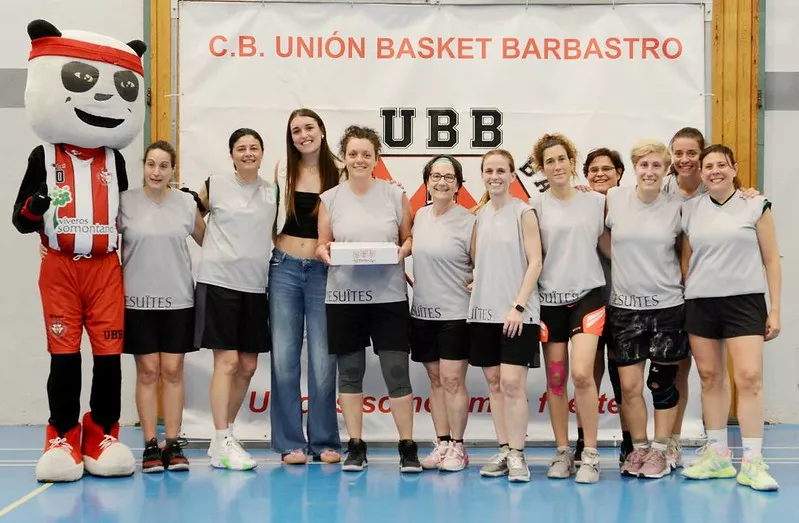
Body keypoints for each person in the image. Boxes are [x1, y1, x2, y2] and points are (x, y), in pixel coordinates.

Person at [14, 19, 144, 482]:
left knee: (109, 356)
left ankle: (103, 431)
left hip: (106, 268)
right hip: (61, 268)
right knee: (63, 354)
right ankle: (62, 434)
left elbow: (128, 215)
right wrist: (34, 207)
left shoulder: (116, 159)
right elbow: (21, 220)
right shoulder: (43, 155)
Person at [316, 125, 421, 473]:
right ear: (343, 158)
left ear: (376, 159)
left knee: (396, 371)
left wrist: (399, 253)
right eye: (353, 153)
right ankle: (355, 446)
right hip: (344, 297)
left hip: (388, 299)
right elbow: (323, 244)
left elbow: (408, 240)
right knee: (350, 373)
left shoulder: (394, 195)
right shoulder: (330, 198)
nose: (359, 159)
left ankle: (407, 446)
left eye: (366, 154)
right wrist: (324, 253)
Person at [680, 144, 781, 491]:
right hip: (701, 303)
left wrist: (775, 309)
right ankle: (718, 456)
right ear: (701, 173)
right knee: (710, 377)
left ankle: (753, 461)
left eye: (721, 164)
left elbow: (771, 260)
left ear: (734, 168)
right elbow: (687, 258)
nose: (714, 171)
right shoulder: (690, 209)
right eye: (708, 166)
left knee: (749, 377)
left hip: (745, 303)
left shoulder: (755, 205)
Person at [116, 141, 205, 472]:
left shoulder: (185, 203)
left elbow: (211, 242)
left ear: (172, 170)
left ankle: (173, 443)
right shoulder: (124, 202)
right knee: (148, 370)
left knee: (173, 370)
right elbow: (100, 239)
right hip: (137, 301)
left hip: (178, 300)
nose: (156, 171)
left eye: (163, 166)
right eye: (151, 164)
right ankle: (151, 445)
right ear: (144, 166)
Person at [194, 128, 277, 470]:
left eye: (253, 148)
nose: (247, 153)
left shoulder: (272, 192)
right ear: (231, 155)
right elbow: (192, 216)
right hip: (219, 283)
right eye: (241, 148)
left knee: (247, 365)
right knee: (226, 363)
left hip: (256, 287)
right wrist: (211, 245)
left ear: (261, 153)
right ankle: (223, 435)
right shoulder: (215, 184)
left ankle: (220, 439)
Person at [605, 140, 689, 479]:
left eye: (657, 165)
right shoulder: (613, 199)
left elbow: (686, 251)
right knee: (628, 387)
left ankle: (659, 450)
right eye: (644, 165)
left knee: (662, 385)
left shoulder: (679, 206)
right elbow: (598, 234)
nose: (650, 171)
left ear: (666, 169)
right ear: (634, 168)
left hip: (668, 308)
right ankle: (638, 448)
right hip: (624, 310)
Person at [528, 133, 608, 484]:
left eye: (561, 159)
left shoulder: (596, 202)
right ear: (542, 168)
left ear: (571, 161)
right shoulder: (535, 205)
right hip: (549, 302)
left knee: (581, 375)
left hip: (588, 297)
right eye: (549, 162)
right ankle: (563, 451)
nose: (556, 166)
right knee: (557, 380)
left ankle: (590, 453)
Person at [270, 109, 343, 465]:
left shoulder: (342, 171)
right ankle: (289, 442)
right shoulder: (283, 169)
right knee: (284, 358)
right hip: (283, 268)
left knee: (323, 358)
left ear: (322, 131)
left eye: (309, 127)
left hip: (323, 272)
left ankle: (326, 440)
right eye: (296, 130)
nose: (303, 135)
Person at [469, 149, 542, 483]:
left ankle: (518, 454)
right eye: (489, 170)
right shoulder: (479, 215)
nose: (495, 175)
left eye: (501, 170)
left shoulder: (524, 212)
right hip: (483, 313)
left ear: (513, 175)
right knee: (495, 384)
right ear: (482, 175)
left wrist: (519, 305)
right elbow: (479, 262)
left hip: (517, 315)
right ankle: (503, 448)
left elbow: (535, 262)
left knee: (513, 384)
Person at [410, 155, 475, 472]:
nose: (442, 182)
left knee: (452, 380)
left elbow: (481, 264)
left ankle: (459, 448)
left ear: (459, 185)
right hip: (422, 312)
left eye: (449, 177)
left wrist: (480, 280)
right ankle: (443, 443)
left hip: (455, 314)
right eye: (435, 176)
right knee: (435, 379)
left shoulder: (469, 221)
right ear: (426, 182)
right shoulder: (419, 216)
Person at [575, 148, 631, 467]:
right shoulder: (581, 204)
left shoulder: (631, 205)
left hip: (624, 305)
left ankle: (629, 443)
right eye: (593, 169)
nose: (599, 174)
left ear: (620, 173)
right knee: (587, 378)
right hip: (588, 303)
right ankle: (584, 443)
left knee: (624, 381)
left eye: (606, 169)